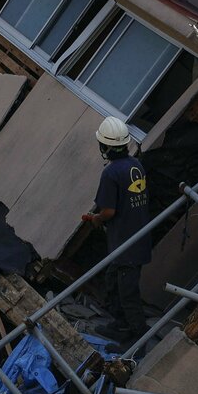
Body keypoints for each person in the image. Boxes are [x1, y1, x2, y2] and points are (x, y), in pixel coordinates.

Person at [83, 116, 150, 344]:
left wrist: (97, 219)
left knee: (128, 293)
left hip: (125, 243)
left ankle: (138, 339)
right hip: (137, 237)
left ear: (105, 146)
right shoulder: (135, 166)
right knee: (113, 282)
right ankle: (121, 324)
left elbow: (109, 211)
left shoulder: (111, 173)